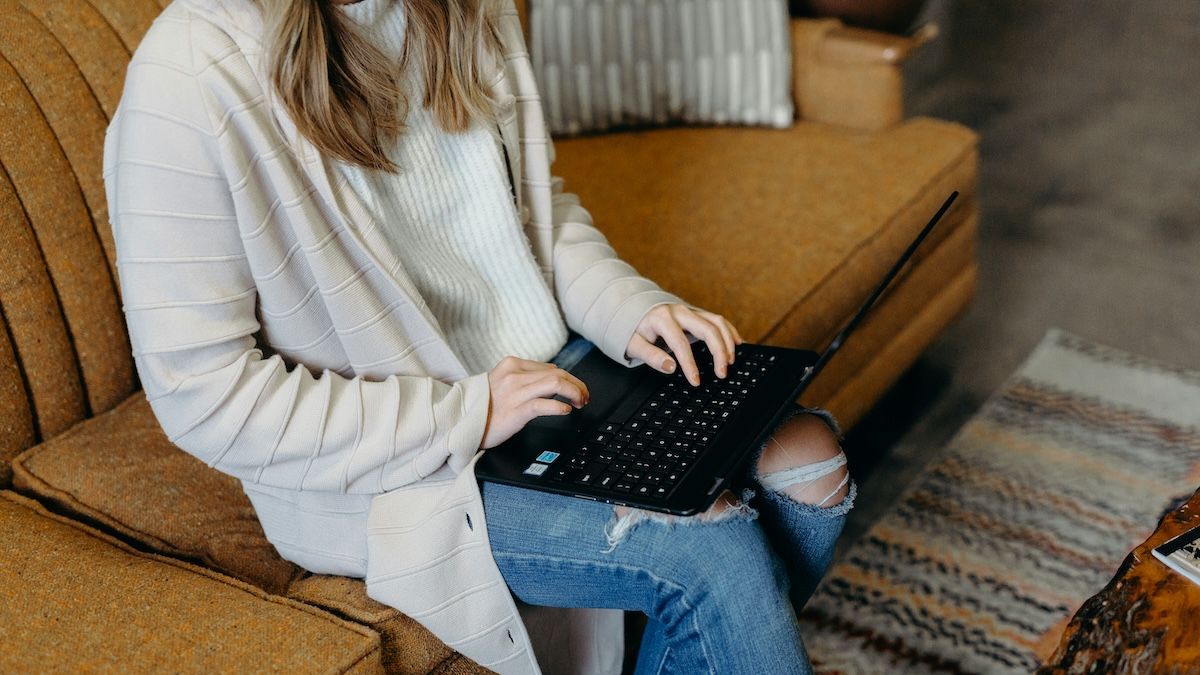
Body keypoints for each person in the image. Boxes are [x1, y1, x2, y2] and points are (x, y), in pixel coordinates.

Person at [103, 0, 854, 672]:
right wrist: (466, 413)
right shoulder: (190, 72)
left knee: (808, 458)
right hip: (400, 467)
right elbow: (201, 392)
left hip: (553, 380)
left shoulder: (473, 8)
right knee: (708, 545)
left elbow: (533, 211)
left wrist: (630, 308)